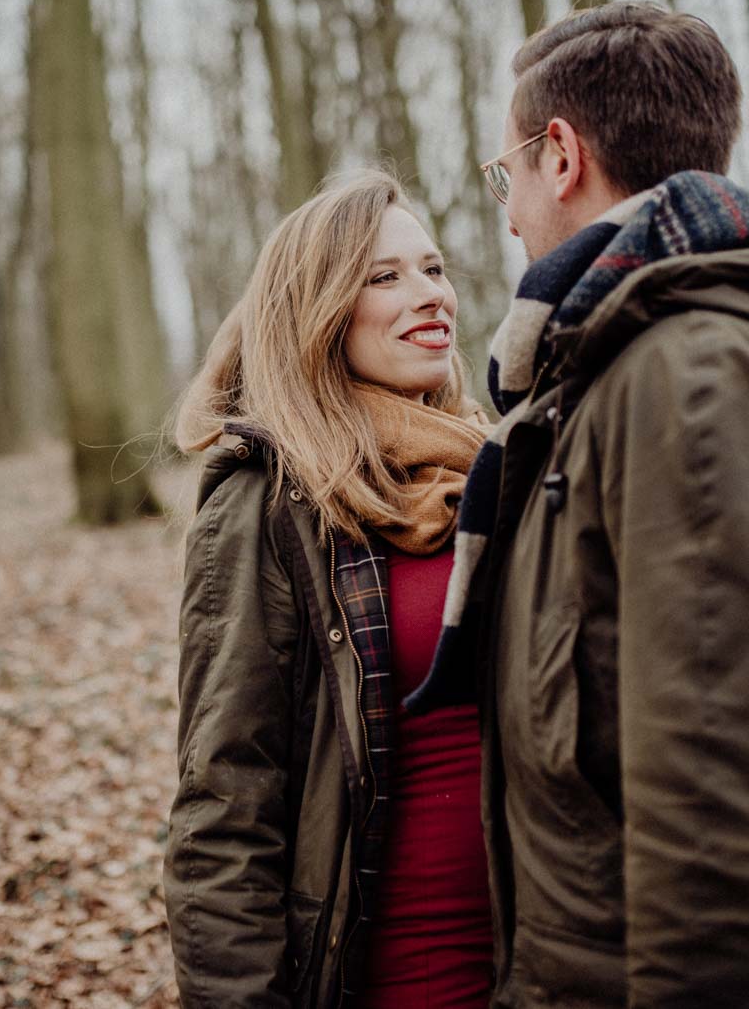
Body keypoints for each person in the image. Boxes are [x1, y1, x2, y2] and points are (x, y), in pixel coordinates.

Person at [405, 2, 749, 1007]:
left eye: (506, 174)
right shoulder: (609, 377)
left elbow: (723, 830)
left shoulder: (693, 379)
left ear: (559, 155)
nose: (508, 208)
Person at [164, 170, 496, 1007]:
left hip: (546, 966)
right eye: (383, 277)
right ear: (315, 314)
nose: (428, 295)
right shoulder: (268, 504)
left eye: (433, 268)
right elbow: (224, 809)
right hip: (396, 977)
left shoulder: (500, 470)